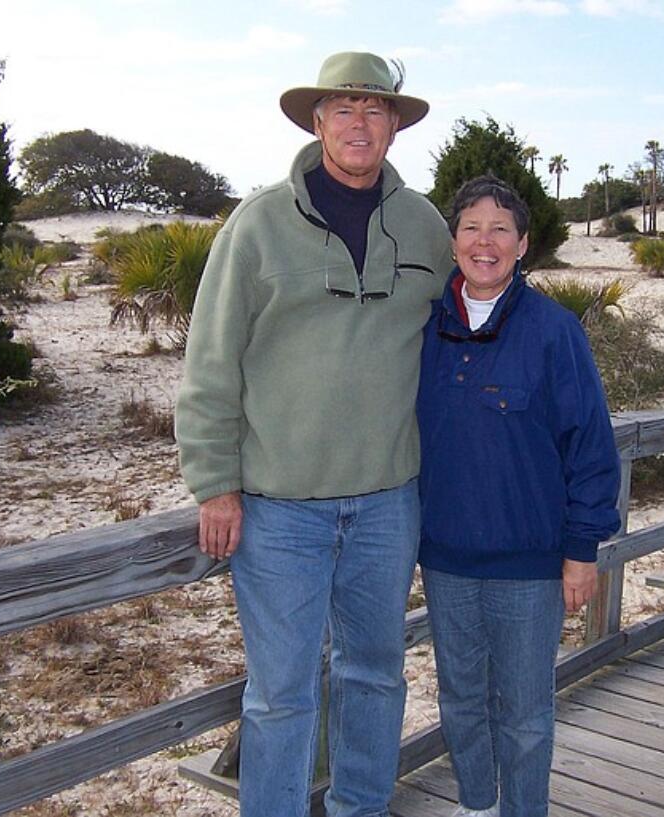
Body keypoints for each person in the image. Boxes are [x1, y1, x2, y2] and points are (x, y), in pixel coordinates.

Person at [175, 52, 451, 817]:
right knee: (281, 694)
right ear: (317, 121)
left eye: (374, 110)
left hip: (389, 503)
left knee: (376, 674)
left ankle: (361, 807)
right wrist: (214, 484)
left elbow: (468, 325)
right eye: (343, 109)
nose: (359, 124)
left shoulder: (426, 225)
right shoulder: (257, 225)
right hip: (277, 510)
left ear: (394, 125)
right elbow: (210, 360)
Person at [416, 176, 622, 817]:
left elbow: (590, 446)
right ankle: (476, 806)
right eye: (472, 228)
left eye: (500, 229)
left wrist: (581, 550)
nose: (485, 241)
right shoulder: (422, 328)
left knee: (527, 713)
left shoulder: (554, 332)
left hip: (529, 567)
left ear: (523, 245)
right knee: (460, 701)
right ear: (453, 243)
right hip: (445, 560)